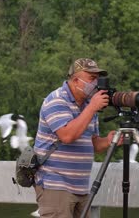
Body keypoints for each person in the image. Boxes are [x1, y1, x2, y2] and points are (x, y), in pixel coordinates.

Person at [34, 58, 122, 218]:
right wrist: (92, 107)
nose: (96, 83)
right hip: (55, 185)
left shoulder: (89, 104)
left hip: (81, 188)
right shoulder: (56, 100)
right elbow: (67, 136)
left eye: (97, 78)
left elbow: (93, 143)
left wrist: (108, 141)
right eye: (91, 78)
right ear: (75, 80)